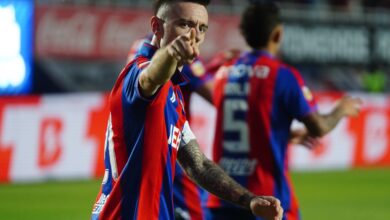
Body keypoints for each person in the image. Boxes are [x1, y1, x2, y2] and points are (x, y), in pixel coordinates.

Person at [91, 1, 284, 220]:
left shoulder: (174, 93)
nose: (195, 35)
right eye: (184, 24)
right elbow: (150, 78)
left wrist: (249, 200)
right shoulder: (137, 72)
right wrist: (171, 53)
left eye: (202, 28)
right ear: (156, 26)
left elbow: (198, 164)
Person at [205, 2, 362, 220]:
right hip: (267, 202)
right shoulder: (282, 75)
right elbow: (318, 127)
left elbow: (245, 124)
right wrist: (340, 110)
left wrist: (282, 135)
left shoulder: (224, 73)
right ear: (277, 34)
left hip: (221, 198)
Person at [127, 34, 213, 220]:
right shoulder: (180, 51)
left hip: (139, 148)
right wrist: (223, 71)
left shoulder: (139, 46)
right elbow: (215, 95)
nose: (194, 33)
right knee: (196, 212)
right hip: (172, 150)